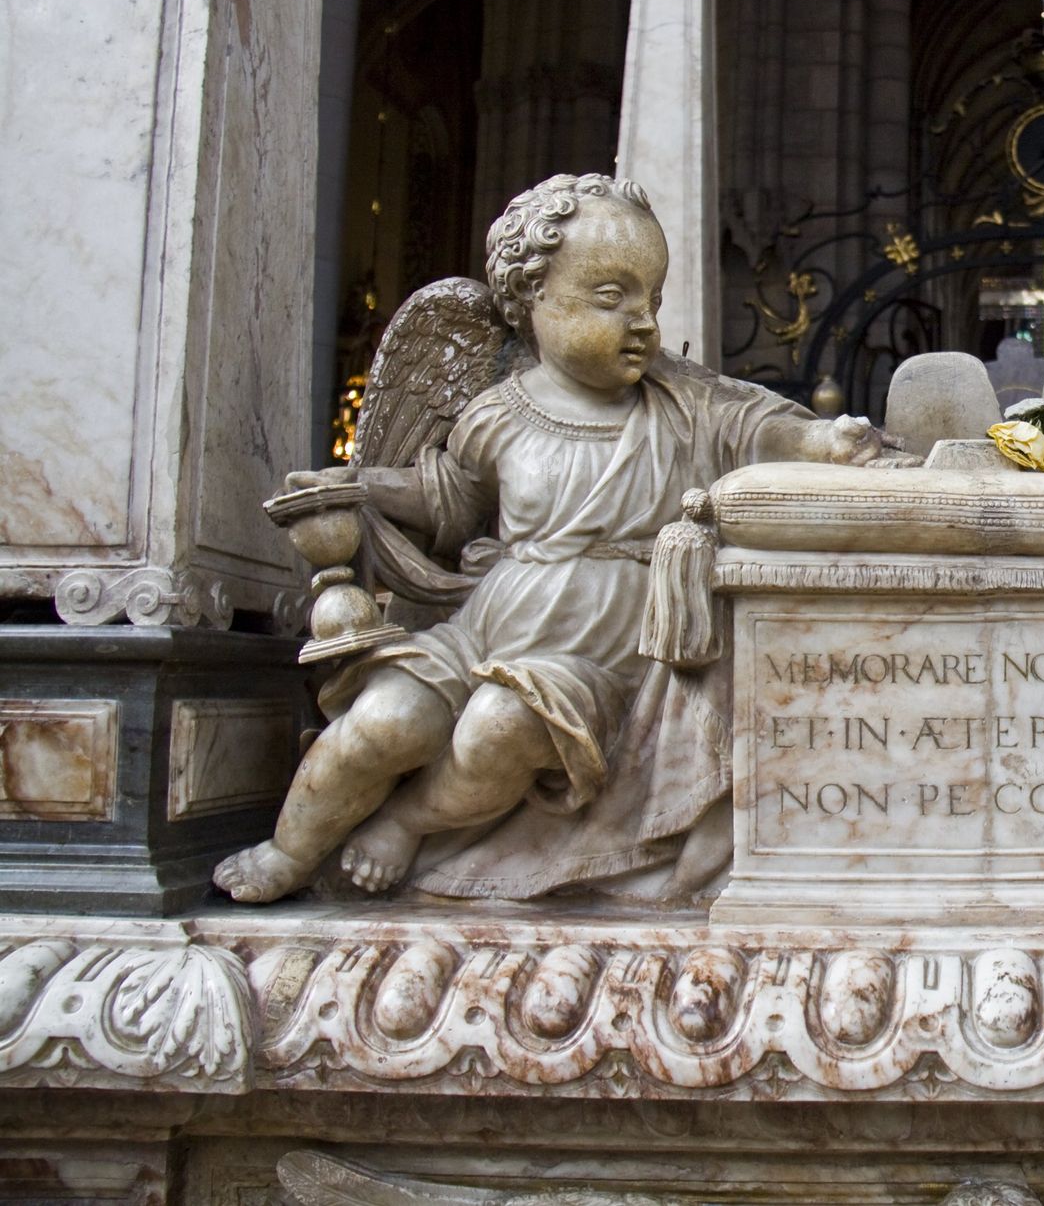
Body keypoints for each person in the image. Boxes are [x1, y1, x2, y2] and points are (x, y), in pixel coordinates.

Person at [215, 174, 889, 903]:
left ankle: (409, 819)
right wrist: (360, 485)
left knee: (497, 731)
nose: (643, 322)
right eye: (611, 296)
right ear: (532, 297)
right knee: (382, 722)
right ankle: (290, 851)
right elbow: (451, 500)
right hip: (487, 628)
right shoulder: (496, 414)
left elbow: (754, 426)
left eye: (652, 301)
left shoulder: (680, 404)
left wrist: (821, 439)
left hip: (600, 654)